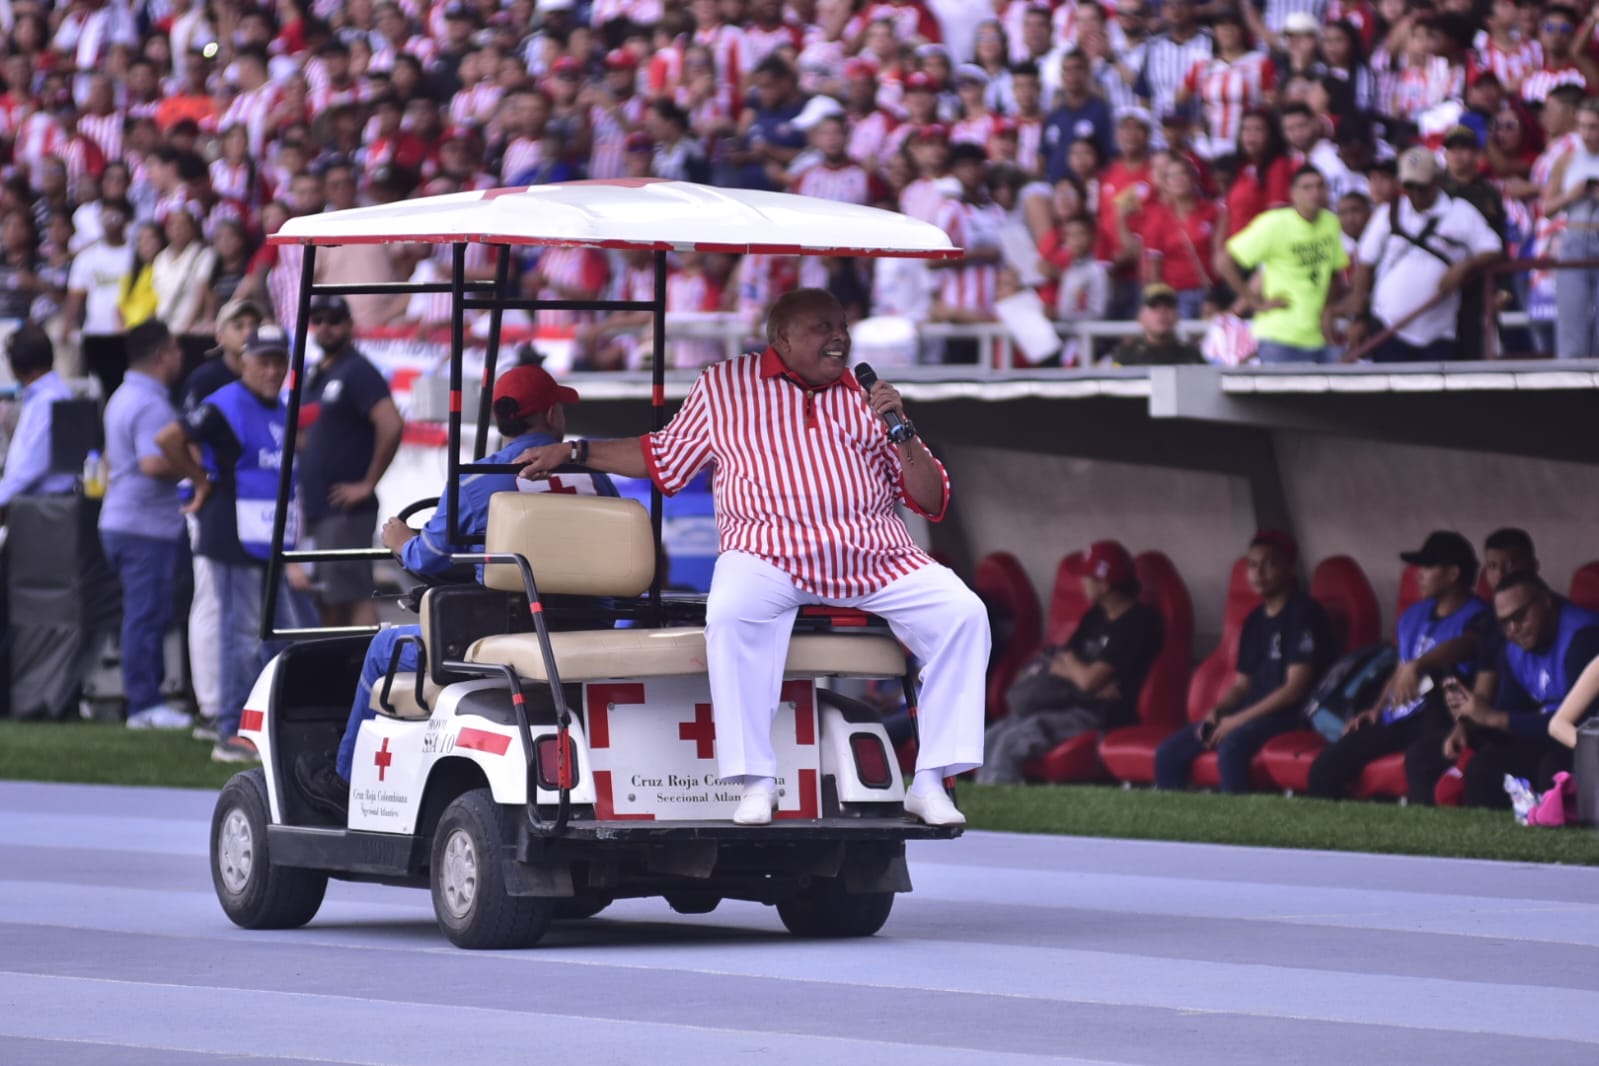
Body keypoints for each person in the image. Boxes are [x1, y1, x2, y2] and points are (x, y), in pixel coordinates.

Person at [515, 288, 990, 827]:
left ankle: (930, 781)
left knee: (964, 614)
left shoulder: (867, 393)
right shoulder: (725, 385)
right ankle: (757, 781)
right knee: (731, 610)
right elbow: (661, 456)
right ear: (781, 338)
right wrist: (575, 451)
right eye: (821, 327)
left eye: (842, 325)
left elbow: (929, 500)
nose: (839, 337)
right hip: (768, 550)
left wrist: (900, 427)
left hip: (873, 553)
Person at [295, 365, 616, 819]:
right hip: (588, 624)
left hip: (512, 631)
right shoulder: (597, 480)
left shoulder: (477, 479)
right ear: (551, 415)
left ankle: (346, 782)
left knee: (386, 646)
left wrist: (399, 538)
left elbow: (429, 557)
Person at [154, 326, 315, 763]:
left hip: (269, 538)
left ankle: (262, 724)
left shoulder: (280, 408)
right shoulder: (225, 404)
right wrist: (201, 477)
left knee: (274, 635)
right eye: (263, 361)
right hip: (231, 533)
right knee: (238, 634)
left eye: (279, 362)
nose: (272, 370)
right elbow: (168, 438)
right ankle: (230, 730)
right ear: (245, 361)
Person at [1305, 531, 1492, 803]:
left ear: (1453, 573)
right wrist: (1377, 708)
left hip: (1442, 717)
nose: (1418, 573)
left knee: (1420, 761)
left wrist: (1420, 665)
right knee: (1325, 766)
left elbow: (1465, 645)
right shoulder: (1413, 614)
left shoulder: (1479, 615)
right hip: (1401, 717)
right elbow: (1401, 669)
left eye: (1427, 566)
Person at [1155, 530, 1337, 793]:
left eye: (1269, 563)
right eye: (1252, 565)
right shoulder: (1254, 620)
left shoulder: (1304, 613)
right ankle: (1172, 828)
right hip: (1252, 712)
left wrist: (1237, 721)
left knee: (1231, 748)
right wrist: (1218, 711)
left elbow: (1294, 690)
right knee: (1168, 752)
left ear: (1289, 567)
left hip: (1292, 714)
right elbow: (1242, 685)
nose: (1258, 573)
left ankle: (1238, 826)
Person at [977, 541, 1164, 785]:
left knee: (1010, 742)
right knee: (990, 737)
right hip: (1065, 703)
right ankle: (983, 815)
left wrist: (1079, 674)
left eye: (1087, 578)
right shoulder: (1095, 616)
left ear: (1104, 584)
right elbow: (1062, 660)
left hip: (1096, 714)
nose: (1082, 584)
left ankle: (1001, 816)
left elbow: (1087, 681)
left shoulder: (1137, 623)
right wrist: (1081, 674)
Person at [98, 320, 190, 730]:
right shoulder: (151, 403)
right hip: (143, 525)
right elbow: (153, 461)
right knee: (145, 614)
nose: (180, 357)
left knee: (141, 613)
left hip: (122, 519)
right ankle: (144, 705)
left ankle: (145, 700)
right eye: (175, 349)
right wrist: (199, 469)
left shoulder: (121, 394)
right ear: (160, 355)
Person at [1443, 572, 1599, 807]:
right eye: (1504, 622)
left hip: (1580, 743)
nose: (1514, 628)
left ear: (1546, 602)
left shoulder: (1583, 638)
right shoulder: (1513, 649)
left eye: (1520, 616)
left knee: (1555, 768)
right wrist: (1471, 721)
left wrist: (1493, 718)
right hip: (1557, 736)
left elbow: (1585, 726)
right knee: (1484, 767)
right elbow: (1515, 714)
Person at [299, 295, 403, 628]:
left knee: (349, 596)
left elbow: (392, 423)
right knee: (326, 598)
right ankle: (341, 669)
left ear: (349, 324)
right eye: (319, 321)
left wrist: (367, 483)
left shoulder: (358, 370)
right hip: (315, 508)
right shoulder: (317, 374)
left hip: (344, 510)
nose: (326, 328)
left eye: (334, 320)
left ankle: (362, 670)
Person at [1343, 147, 1503, 362]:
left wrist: (1465, 266)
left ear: (1437, 179)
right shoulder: (1387, 213)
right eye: (1409, 186)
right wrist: (1358, 318)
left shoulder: (1460, 212)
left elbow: (1493, 248)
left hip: (1439, 332)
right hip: (1388, 328)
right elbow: (1365, 264)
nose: (1416, 193)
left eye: (1422, 186)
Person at [1218, 165, 1348, 365]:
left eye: (1320, 186)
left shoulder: (1330, 222)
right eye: (1307, 187)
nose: (1315, 193)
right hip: (1278, 337)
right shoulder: (1274, 223)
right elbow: (1224, 260)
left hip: (1318, 336)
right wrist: (1254, 302)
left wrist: (1328, 310)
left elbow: (1334, 272)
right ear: (1293, 194)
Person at [0, 324, 75, 524]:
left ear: (14, 364)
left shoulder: (49, 400)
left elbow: (32, 465)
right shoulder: (44, 397)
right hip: (37, 507)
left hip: (44, 513)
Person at [1544, 98, 1599, 359]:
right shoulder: (1566, 159)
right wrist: (1572, 195)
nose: (1587, 134)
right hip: (1575, 238)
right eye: (1582, 126)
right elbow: (1547, 208)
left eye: (1593, 127)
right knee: (1571, 323)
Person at [1110, 284, 1205, 365]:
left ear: (1177, 315)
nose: (1162, 312)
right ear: (1140, 317)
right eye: (1154, 306)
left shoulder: (1191, 356)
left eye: (1168, 306)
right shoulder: (1126, 357)